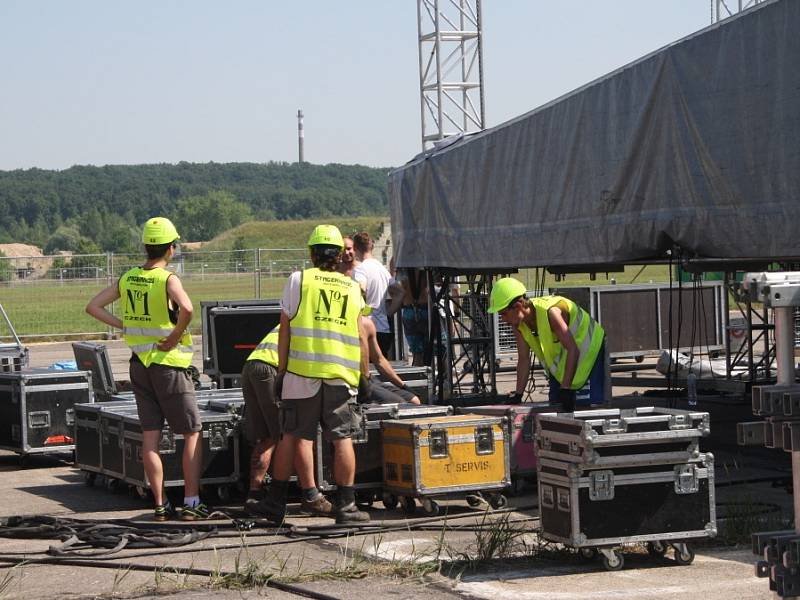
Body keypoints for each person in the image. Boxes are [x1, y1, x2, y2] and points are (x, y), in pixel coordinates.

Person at [85, 217, 207, 521]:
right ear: (170, 247)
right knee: (191, 434)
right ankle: (192, 503)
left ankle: (160, 503)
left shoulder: (129, 278)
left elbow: (93, 306)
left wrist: (124, 325)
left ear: (145, 246)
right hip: (169, 367)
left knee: (150, 438)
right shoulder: (168, 279)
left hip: (139, 366)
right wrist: (175, 336)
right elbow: (189, 309)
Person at [251, 224, 371, 525]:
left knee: (291, 436)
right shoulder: (352, 287)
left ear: (311, 253)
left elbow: (285, 330)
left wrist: (281, 372)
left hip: (301, 374)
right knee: (342, 437)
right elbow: (360, 337)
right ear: (340, 256)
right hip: (341, 374)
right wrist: (364, 375)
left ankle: (275, 503)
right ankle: (346, 505)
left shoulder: (299, 280)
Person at [241, 324, 332, 516]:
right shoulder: (317, 325)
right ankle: (310, 495)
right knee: (293, 434)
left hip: (251, 365)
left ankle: (254, 494)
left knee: (267, 437)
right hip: (271, 368)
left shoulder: (292, 316)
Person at [487, 277, 606, 412]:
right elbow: (524, 359)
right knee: (557, 407)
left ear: (518, 306)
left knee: (583, 408)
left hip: (589, 349)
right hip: (566, 359)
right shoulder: (518, 324)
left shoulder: (551, 313)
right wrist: (518, 394)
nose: (502, 319)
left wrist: (566, 388)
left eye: (503, 313)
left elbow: (573, 349)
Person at [353, 232, 402, 358]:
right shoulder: (381, 269)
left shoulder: (360, 269)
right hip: (383, 327)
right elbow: (400, 292)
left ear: (355, 248)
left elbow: (361, 288)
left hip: (366, 328)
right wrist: (388, 312)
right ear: (372, 247)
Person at [360, 316, 421, 405]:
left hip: (369, 380)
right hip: (354, 382)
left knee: (414, 400)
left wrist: (403, 386)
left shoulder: (367, 324)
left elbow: (379, 360)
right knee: (400, 405)